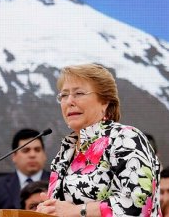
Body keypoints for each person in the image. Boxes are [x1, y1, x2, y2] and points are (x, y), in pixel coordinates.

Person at [36, 63, 161, 216]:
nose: (69, 101)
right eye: (64, 95)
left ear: (105, 101)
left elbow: (139, 204)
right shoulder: (65, 153)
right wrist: (48, 210)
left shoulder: (125, 138)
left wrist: (77, 211)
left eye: (79, 93)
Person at [0, 128, 49, 209]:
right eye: (26, 150)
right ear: (14, 156)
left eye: (37, 150)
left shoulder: (58, 182)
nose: (32, 155)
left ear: (44, 155)